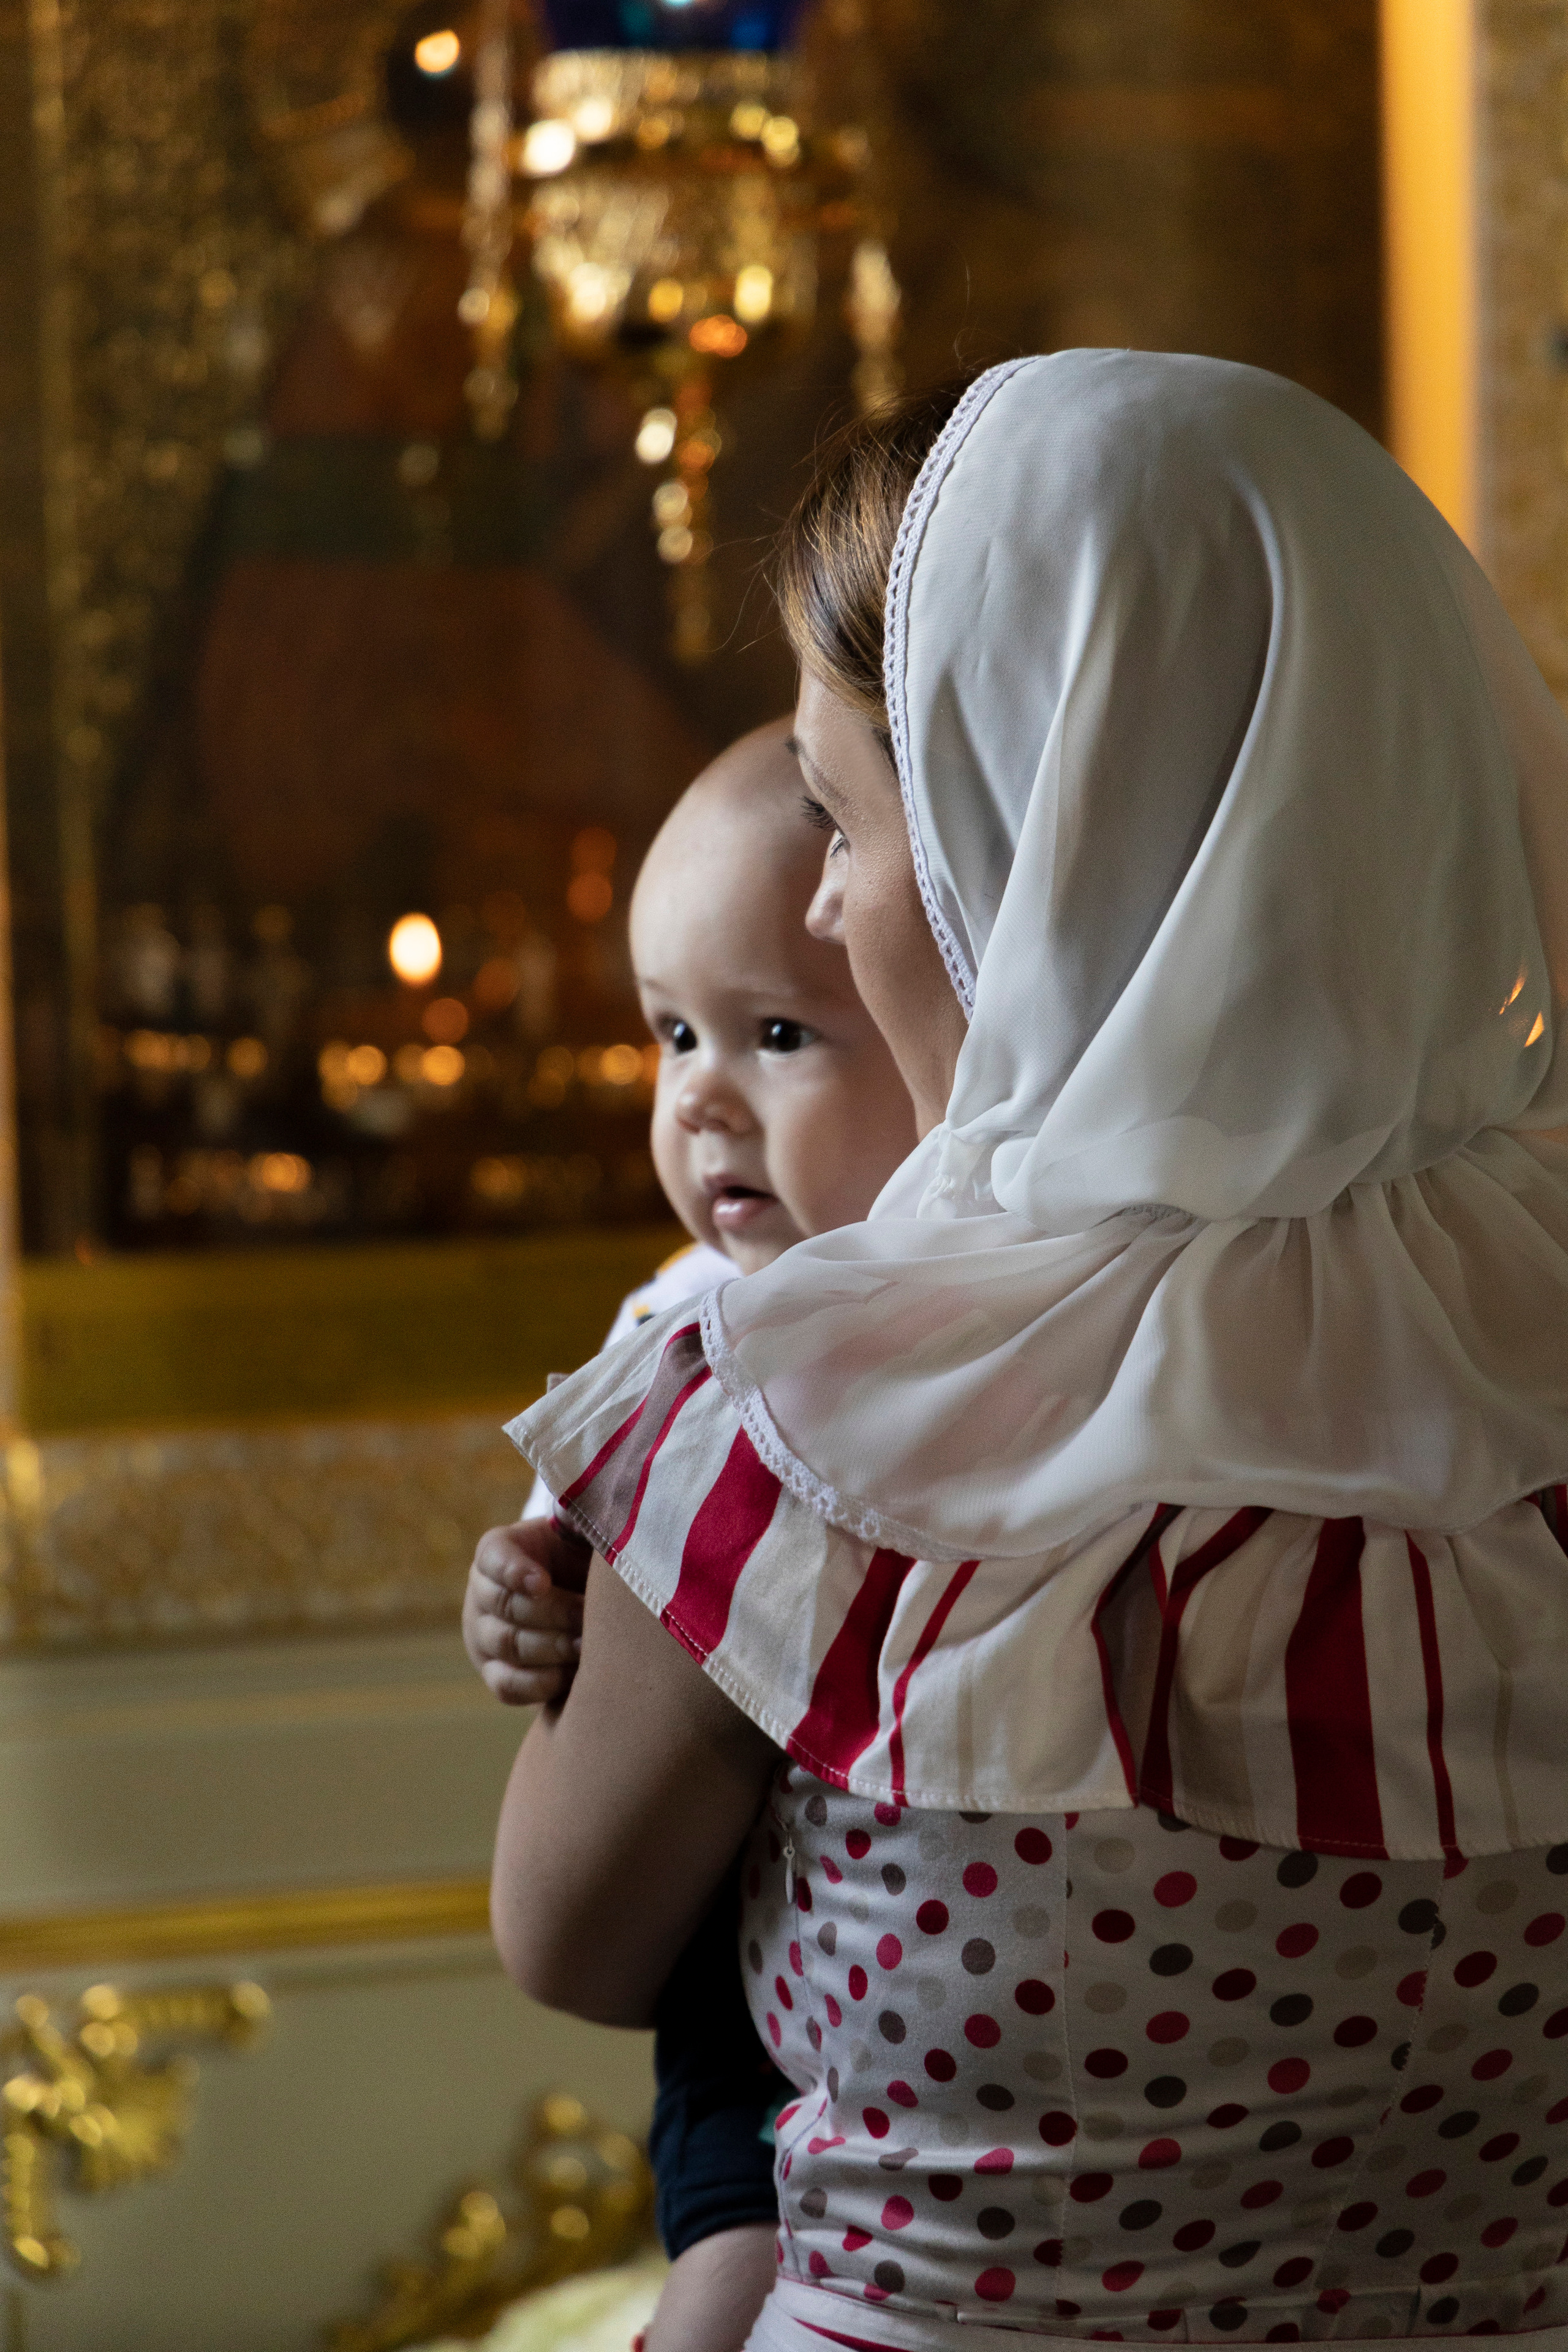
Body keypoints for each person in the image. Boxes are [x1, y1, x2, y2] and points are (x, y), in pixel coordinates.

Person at [489, 352, 1568, 2350]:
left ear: (1041, 834)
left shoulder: (812, 1419)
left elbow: (569, 1941)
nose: (831, 906)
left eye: (842, 821)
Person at [463, 715, 918, 2352]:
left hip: (890, 1959)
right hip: (732, 1957)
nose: (702, 1098)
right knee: (731, 2254)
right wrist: (521, 1597)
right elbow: (563, 1556)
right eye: (671, 1034)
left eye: (778, 1033)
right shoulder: (678, 1328)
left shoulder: (947, 1319)